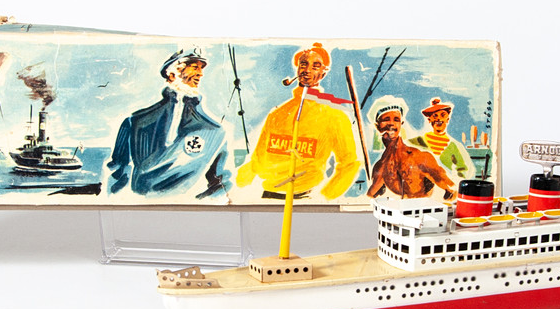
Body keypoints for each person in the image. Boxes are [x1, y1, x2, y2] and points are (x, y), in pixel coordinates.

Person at [236, 42, 359, 201]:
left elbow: (349, 164)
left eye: (315, 66)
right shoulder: (277, 114)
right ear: (297, 68)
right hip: (268, 195)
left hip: (306, 197)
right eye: (303, 64)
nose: (307, 70)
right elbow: (257, 162)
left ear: (323, 73)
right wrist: (237, 187)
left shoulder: (335, 116)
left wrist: (324, 197)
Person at [107, 48, 228, 199]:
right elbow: (118, 173)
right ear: (172, 74)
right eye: (194, 67)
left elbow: (219, 185)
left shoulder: (215, 132)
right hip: (138, 202)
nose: (200, 73)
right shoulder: (134, 122)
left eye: (201, 68)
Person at [366, 101, 455, 199]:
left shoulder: (419, 157)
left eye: (396, 120)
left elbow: (451, 188)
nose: (391, 123)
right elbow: (369, 197)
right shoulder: (380, 167)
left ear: (401, 124)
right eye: (386, 119)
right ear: (377, 126)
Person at [408, 97, 471, 179]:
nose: (438, 118)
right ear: (429, 120)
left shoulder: (453, 145)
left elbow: (462, 170)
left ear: (447, 119)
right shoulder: (416, 142)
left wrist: (455, 182)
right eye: (435, 116)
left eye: (442, 115)